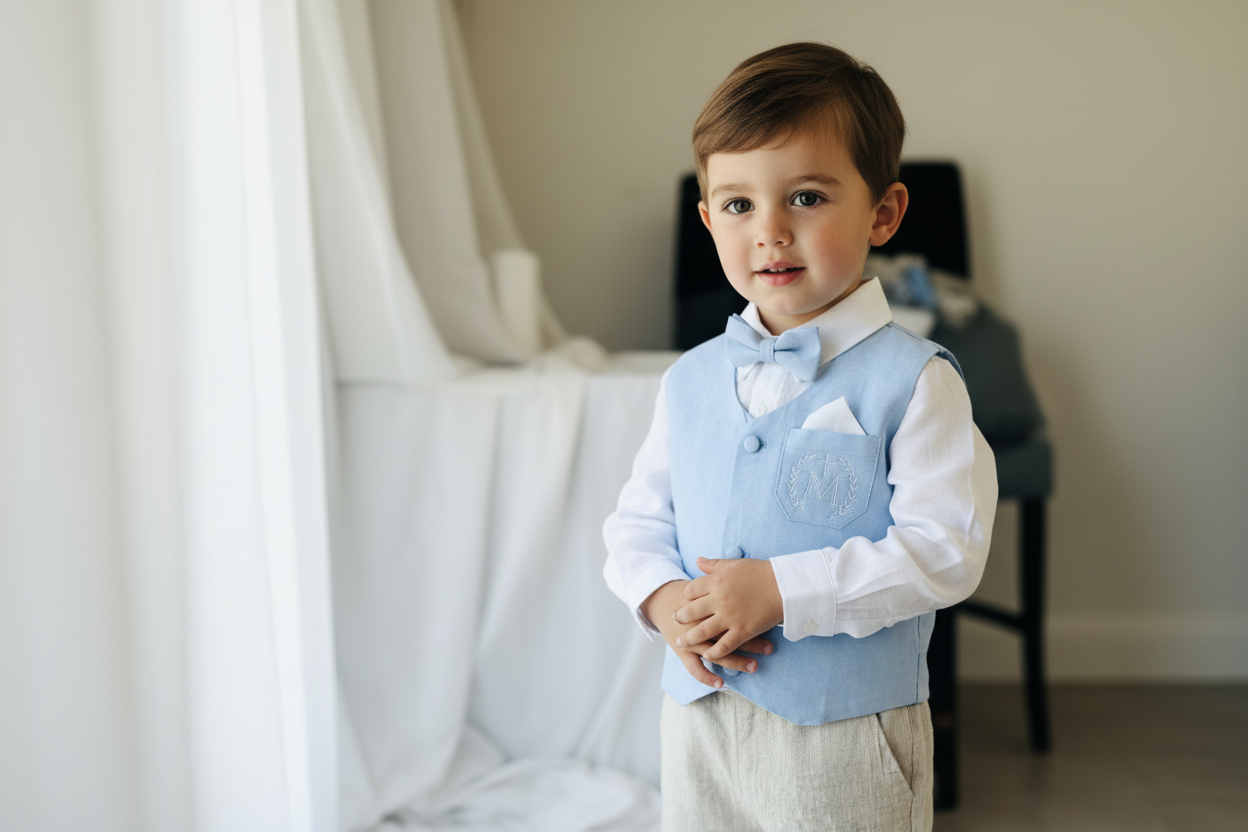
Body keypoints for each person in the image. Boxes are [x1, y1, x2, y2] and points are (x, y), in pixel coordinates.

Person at [602, 42, 997, 831]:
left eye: (808, 198)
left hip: (846, 740)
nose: (770, 231)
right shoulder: (689, 380)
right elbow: (637, 523)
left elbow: (946, 548)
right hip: (699, 725)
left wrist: (785, 589)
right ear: (709, 218)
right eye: (740, 205)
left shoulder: (917, 381)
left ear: (883, 213)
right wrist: (664, 596)